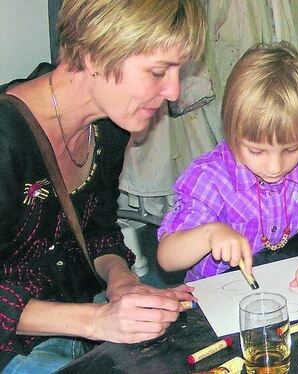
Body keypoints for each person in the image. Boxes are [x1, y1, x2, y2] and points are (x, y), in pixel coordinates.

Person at [0, 0, 206, 372]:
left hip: (78, 326)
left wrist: (122, 281)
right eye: (159, 70)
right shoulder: (5, 141)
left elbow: (98, 231)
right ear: (95, 55)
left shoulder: (108, 127)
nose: (174, 91)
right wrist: (96, 320)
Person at [156, 42, 298, 290]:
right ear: (232, 131)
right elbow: (167, 257)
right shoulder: (210, 178)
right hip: (214, 298)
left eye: (290, 149)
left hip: (280, 283)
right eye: (256, 151)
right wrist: (210, 234)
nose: (274, 166)